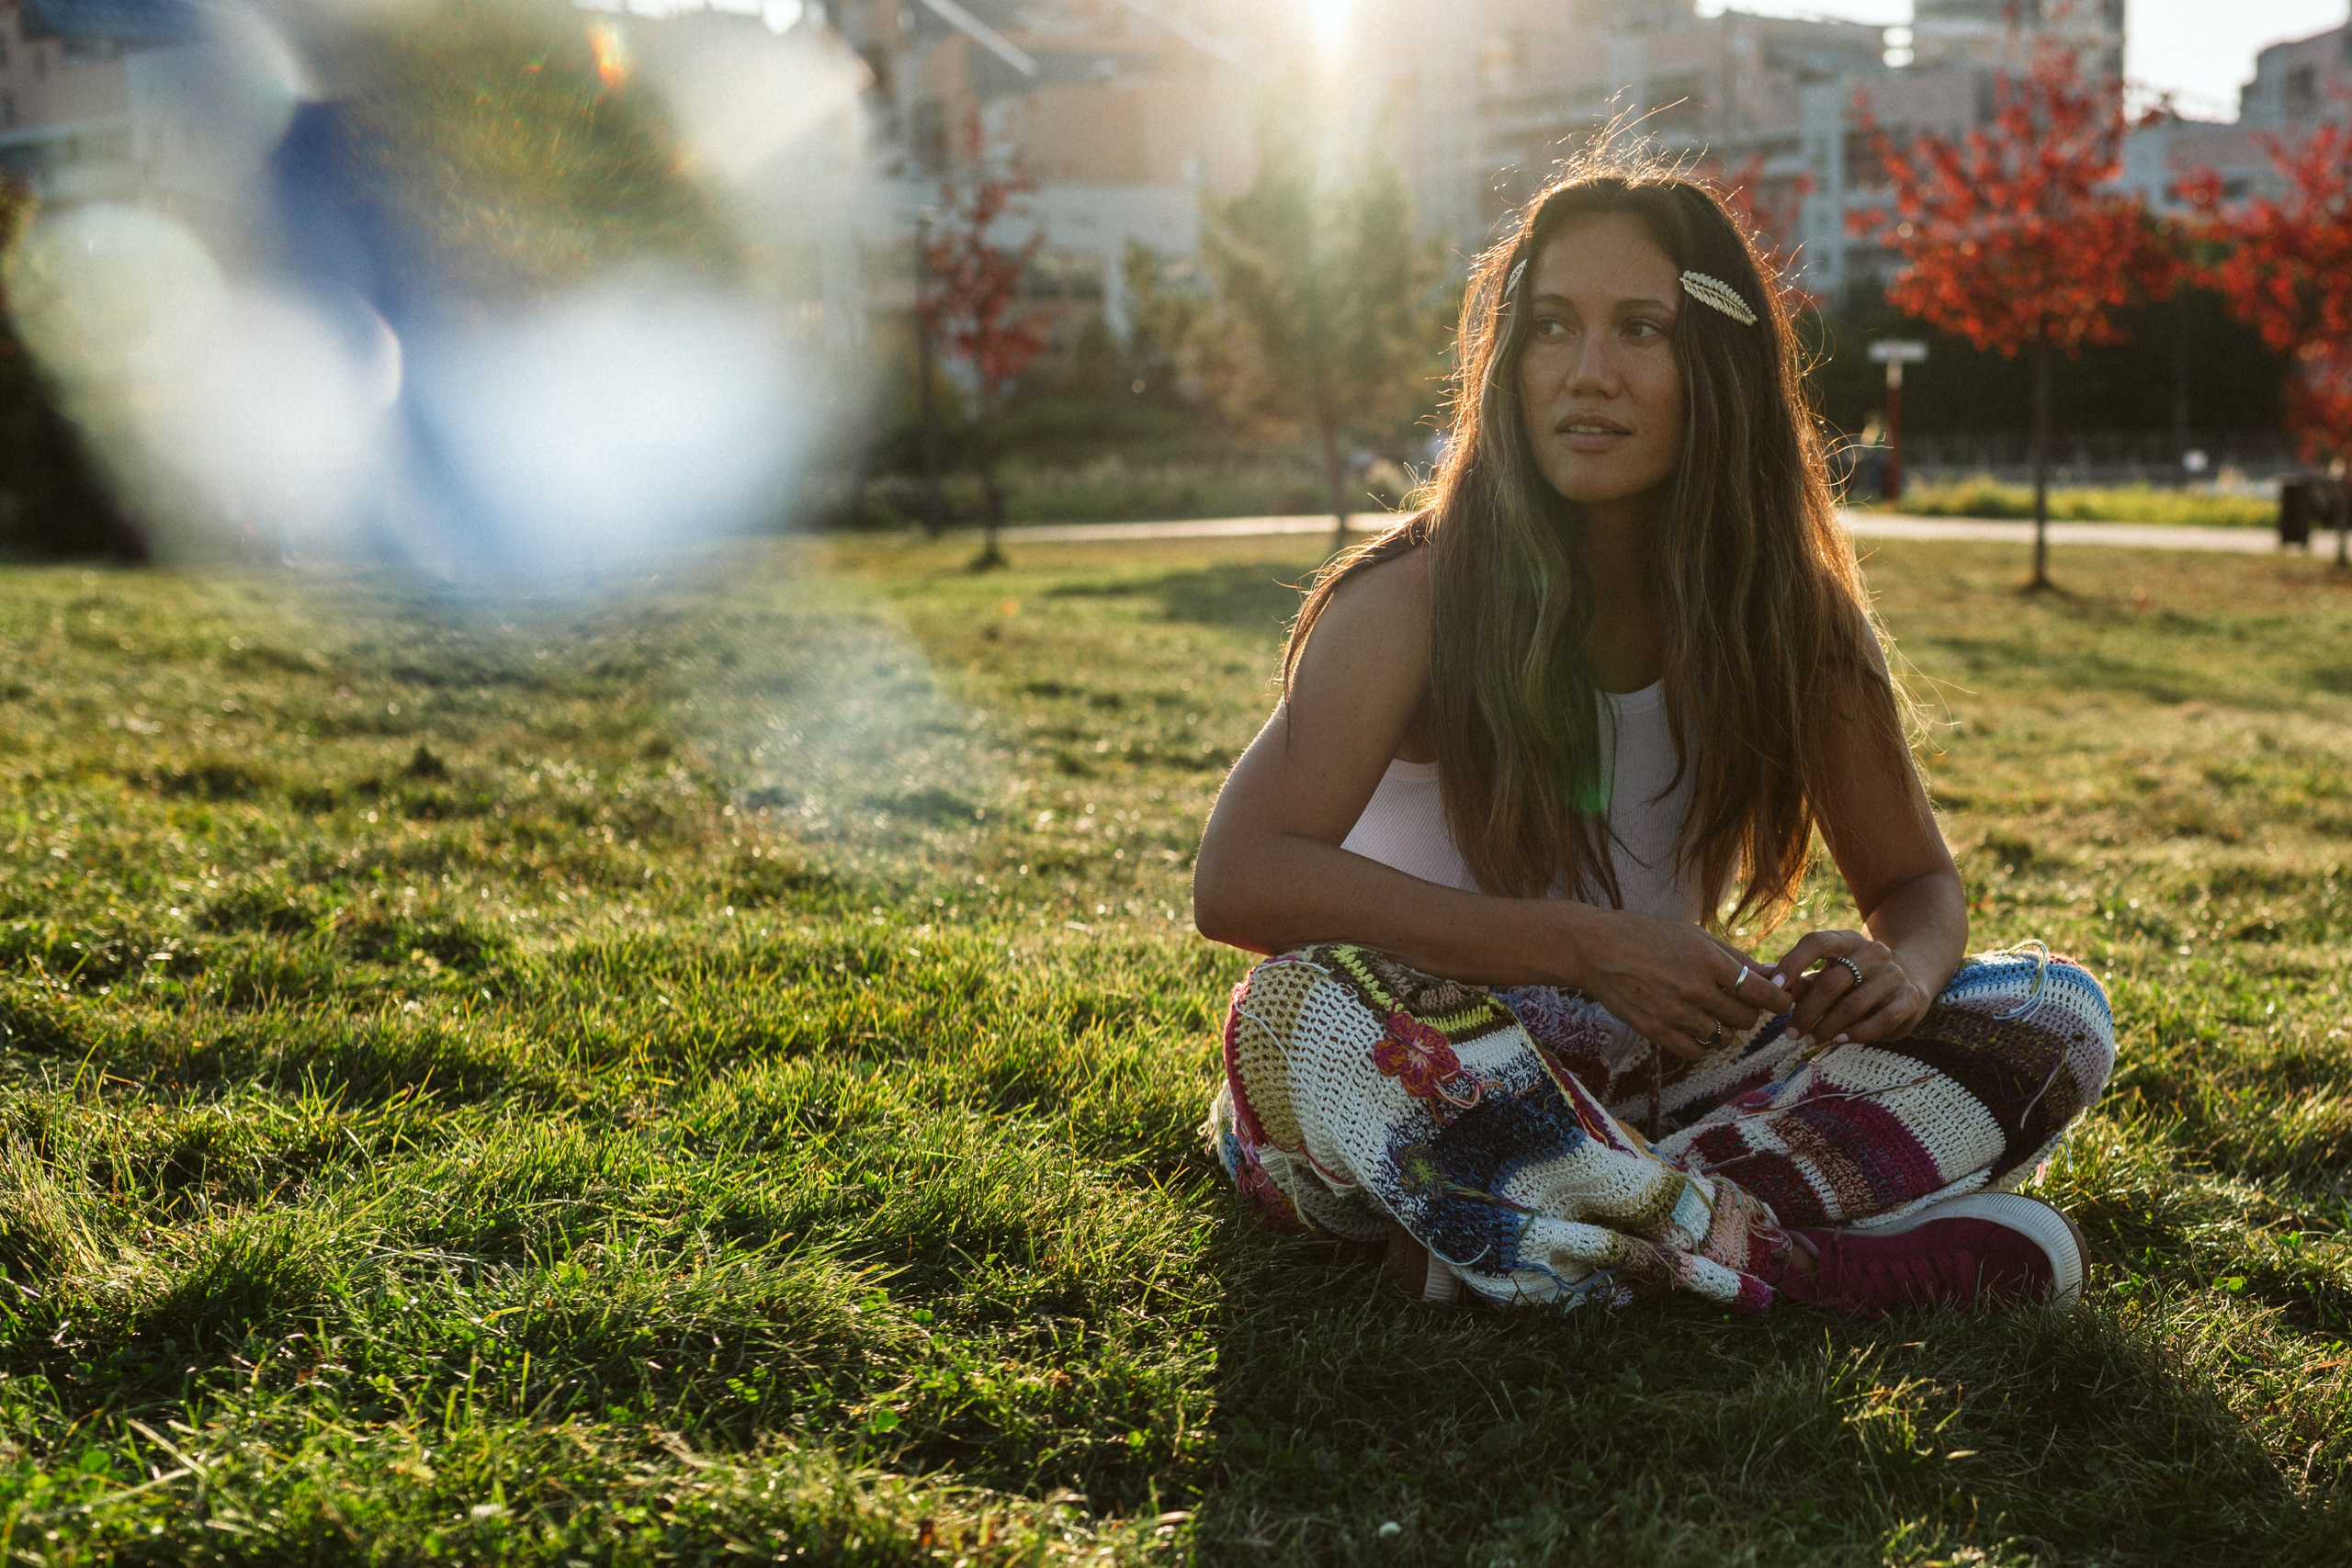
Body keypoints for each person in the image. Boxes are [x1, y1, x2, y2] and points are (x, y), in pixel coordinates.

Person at [1190, 153, 2115, 1317]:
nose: (1587, 374)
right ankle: (1793, 1269)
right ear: (1507, 362)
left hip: (1664, 1083)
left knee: (2047, 1012)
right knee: (1291, 1013)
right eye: (1550, 328)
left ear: (1716, 365)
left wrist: (1902, 970)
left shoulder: (1788, 615)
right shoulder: (1413, 600)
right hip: (1414, 1070)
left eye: (1641, 330)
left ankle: (1542, 1235)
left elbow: (1915, 878)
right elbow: (1237, 880)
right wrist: (1579, 947)